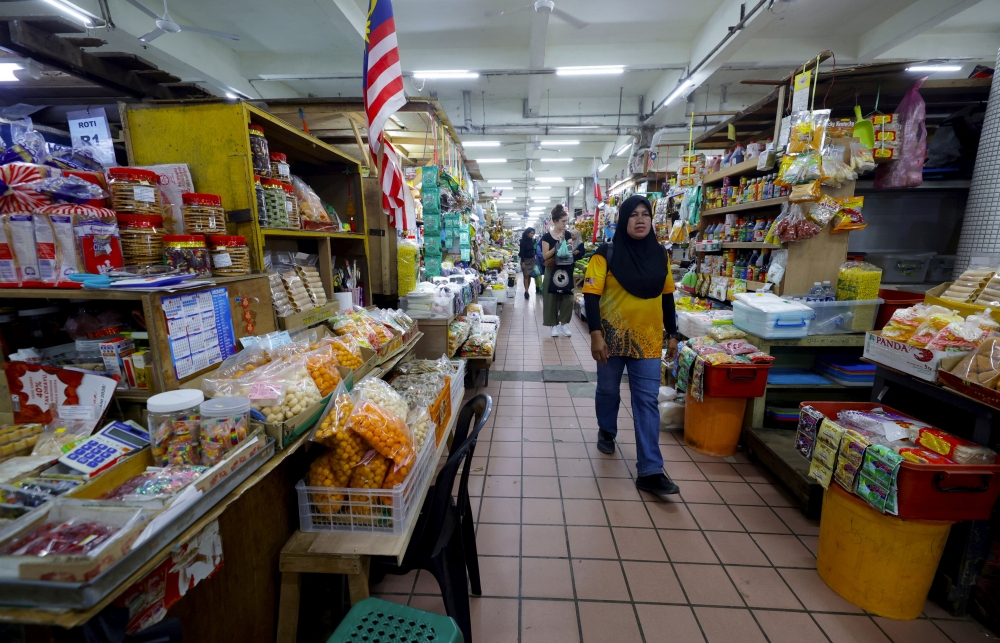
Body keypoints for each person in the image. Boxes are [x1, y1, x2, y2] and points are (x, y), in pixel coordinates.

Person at [582, 194, 680, 499]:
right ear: (624, 220)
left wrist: (673, 333)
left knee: (646, 402)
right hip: (611, 337)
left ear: (651, 220)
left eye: (645, 214)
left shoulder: (660, 255)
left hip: (649, 339)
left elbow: (667, 296)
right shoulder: (605, 254)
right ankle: (607, 429)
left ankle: (650, 470)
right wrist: (595, 334)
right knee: (608, 390)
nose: (640, 220)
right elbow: (591, 295)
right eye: (633, 214)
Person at [541, 205, 575, 337]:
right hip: (552, 269)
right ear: (555, 221)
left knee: (568, 297)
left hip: (566, 268)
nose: (565, 224)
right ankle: (552, 325)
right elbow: (545, 256)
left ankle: (564, 323)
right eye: (563, 221)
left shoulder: (567, 234)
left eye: (566, 221)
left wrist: (566, 243)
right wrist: (557, 247)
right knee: (551, 298)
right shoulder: (546, 237)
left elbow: (570, 248)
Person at [518, 228, 537, 300]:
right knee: (525, 275)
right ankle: (526, 291)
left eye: (533, 233)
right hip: (525, 260)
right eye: (531, 233)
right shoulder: (523, 241)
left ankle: (527, 289)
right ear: (527, 233)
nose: (532, 235)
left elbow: (535, 250)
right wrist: (523, 262)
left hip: (532, 260)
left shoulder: (533, 241)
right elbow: (522, 253)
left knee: (529, 276)